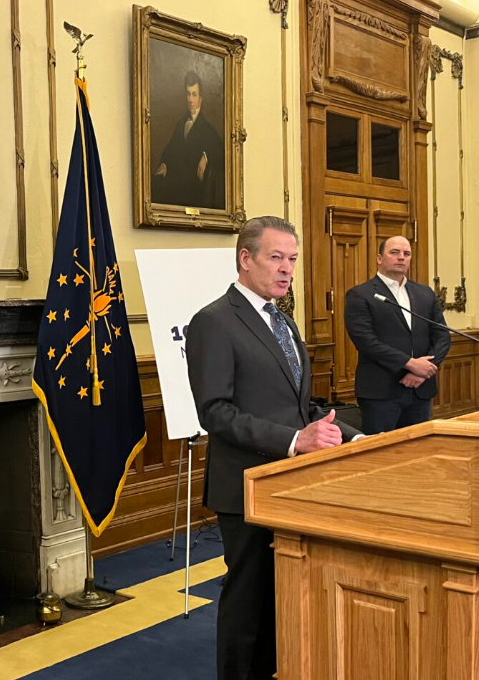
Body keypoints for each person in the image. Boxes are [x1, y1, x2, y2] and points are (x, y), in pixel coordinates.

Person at [185, 216, 362, 680]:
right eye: (277, 258)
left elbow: (301, 406)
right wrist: (294, 440)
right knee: (248, 603)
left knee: (280, 598)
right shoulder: (213, 322)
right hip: (246, 487)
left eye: (293, 260)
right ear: (245, 259)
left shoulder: (282, 321)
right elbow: (215, 412)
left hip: (290, 485)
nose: (287, 269)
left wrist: (353, 436)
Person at [344, 235, 450, 435]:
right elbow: (366, 341)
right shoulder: (360, 294)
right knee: (382, 450)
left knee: (418, 448)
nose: (401, 257)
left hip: (420, 389)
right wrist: (410, 363)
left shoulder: (425, 293)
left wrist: (422, 371)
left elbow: (442, 336)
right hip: (381, 391)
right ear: (379, 258)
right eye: (394, 252)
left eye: (406, 254)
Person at [152, 70, 224, 209]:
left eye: (194, 94)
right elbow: (171, 148)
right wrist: (164, 164)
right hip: (176, 184)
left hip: (193, 190)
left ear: (200, 99)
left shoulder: (207, 129)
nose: (190, 99)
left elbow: (220, 151)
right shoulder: (181, 124)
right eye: (188, 94)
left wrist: (206, 156)